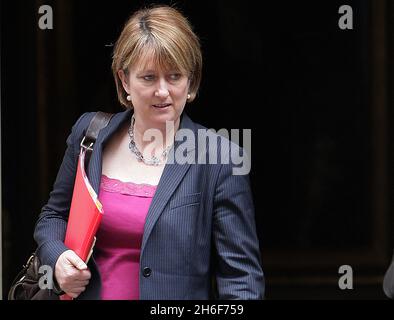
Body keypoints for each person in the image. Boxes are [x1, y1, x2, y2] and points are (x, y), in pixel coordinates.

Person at [34, 5, 264, 300]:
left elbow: (242, 281)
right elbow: (53, 215)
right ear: (124, 80)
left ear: (191, 82)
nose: (163, 91)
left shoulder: (220, 159)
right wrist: (58, 259)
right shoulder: (89, 135)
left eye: (175, 76)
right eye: (148, 78)